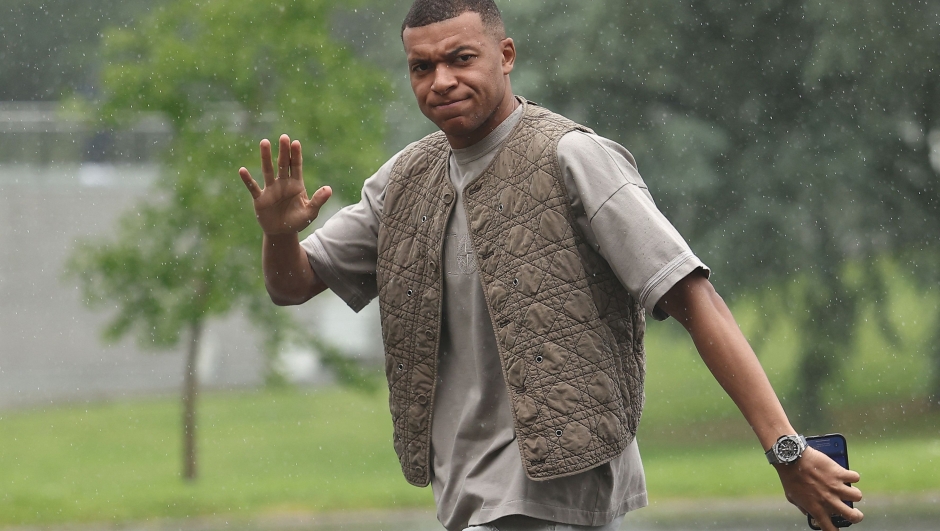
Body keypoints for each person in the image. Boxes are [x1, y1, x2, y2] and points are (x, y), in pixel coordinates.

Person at [237, 1, 864, 530]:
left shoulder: (574, 158)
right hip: (462, 498)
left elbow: (693, 296)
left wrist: (786, 451)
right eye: (421, 67)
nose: (442, 81)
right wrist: (277, 236)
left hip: (558, 489)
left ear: (505, 55)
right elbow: (292, 285)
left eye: (462, 58)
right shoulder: (403, 182)